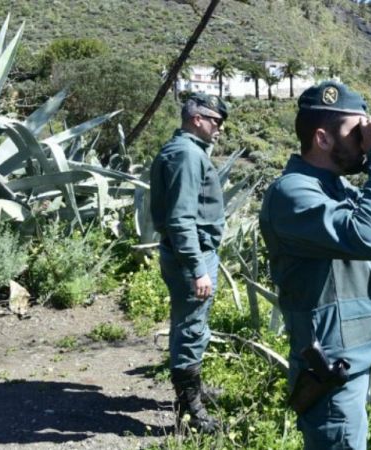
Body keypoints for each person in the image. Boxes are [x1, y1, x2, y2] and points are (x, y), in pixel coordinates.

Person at [259, 81, 371, 449]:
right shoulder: (293, 193)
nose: (363, 138)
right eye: (353, 131)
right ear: (323, 139)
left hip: (353, 361)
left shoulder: (335, 189)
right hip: (330, 371)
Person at [150, 92, 228, 434]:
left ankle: (190, 393)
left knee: (187, 324)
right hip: (190, 256)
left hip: (185, 253)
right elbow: (181, 219)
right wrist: (198, 268)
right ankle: (193, 413)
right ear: (197, 118)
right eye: (216, 122)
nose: (220, 129)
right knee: (191, 329)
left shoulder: (183, 150)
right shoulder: (186, 155)